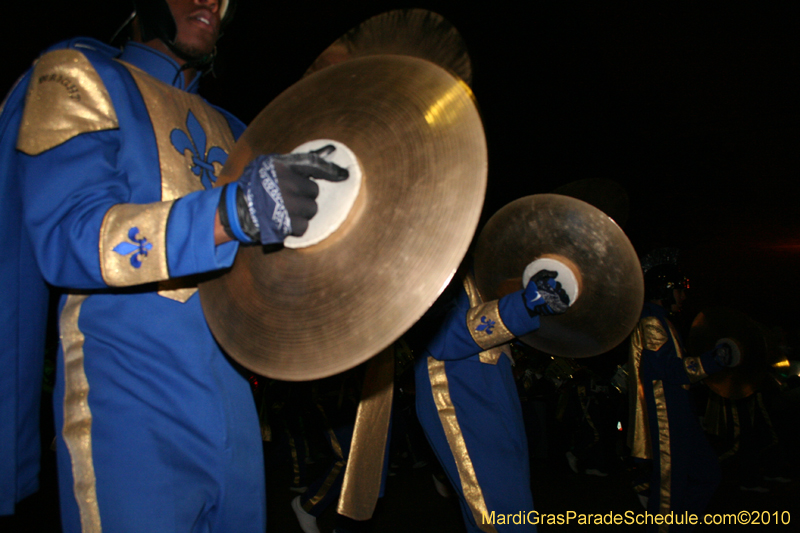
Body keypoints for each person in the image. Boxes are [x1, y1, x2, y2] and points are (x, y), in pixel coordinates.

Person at [0, 0, 348, 530]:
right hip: (130, 416)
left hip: (238, 423)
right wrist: (233, 211)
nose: (210, 1)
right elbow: (67, 236)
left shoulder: (237, 128)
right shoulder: (78, 73)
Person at [415, 266, 570, 533]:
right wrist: (526, 304)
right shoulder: (424, 262)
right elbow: (442, 336)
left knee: (513, 507)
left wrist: (536, 308)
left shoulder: (468, 265)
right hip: (457, 388)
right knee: (503, 517)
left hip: (493, 385)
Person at [627, 262, 739, 532]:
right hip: (667, 419)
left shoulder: (662, 321)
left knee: (707, 475)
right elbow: (667, 370)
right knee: (668, 492)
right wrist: (713, 360)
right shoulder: (652, 321)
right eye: (679, 290)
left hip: (681, 416)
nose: (683, 297)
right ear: (665, 290)